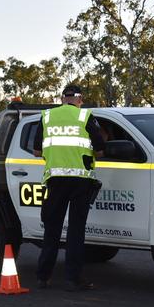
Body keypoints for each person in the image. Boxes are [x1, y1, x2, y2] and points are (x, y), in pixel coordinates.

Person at [32, 84, 105, 291]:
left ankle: (43, 277)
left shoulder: (46, 117)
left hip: (55, 180)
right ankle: (73, 279)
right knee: (75, 230)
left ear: (63, 98)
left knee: (52, 228)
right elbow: (100, 150)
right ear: (80, 99)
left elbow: (37, 151)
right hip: (81, 181)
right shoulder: (85, 117)